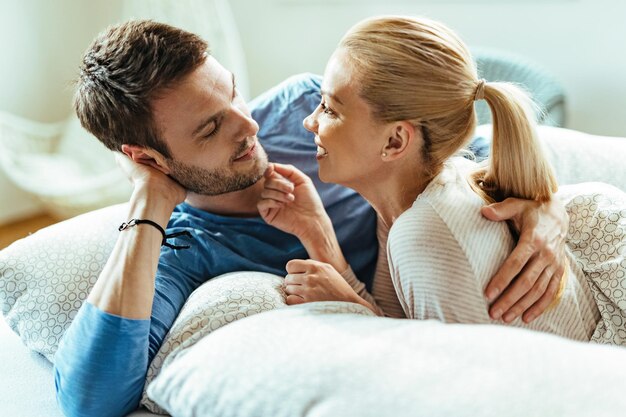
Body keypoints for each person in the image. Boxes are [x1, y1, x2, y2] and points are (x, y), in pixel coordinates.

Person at [54, 20, 570, 417]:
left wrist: (546, 204)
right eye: (212, 128)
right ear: (147, 158)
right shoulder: (190, 248)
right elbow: (89, 400)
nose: (250, 123)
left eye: (232, 91)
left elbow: (464, 147)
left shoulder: (306, 105)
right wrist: (147, 202)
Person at [262, 16, 626, 346]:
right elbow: (407, 324)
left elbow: (455, 382)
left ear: (395, 141)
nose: (310, 122)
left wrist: (345, 309)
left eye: (329, 108)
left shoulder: (425, 233)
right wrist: (317, 232)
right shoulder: (406, 208)